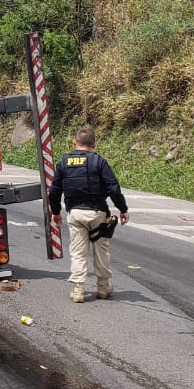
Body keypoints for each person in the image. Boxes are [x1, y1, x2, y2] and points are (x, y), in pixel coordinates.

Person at [48, 125, 130, 302]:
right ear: (94, 144)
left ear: (75, 142)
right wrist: (123, 209)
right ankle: (102, 287)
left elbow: (54, 191)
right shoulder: (98, 161)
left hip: (76, 213)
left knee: (78, 252)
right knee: (101, 250)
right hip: (97, 213)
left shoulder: (64, 163)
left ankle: (78, 290)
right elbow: (113, 188)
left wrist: (55, 212)